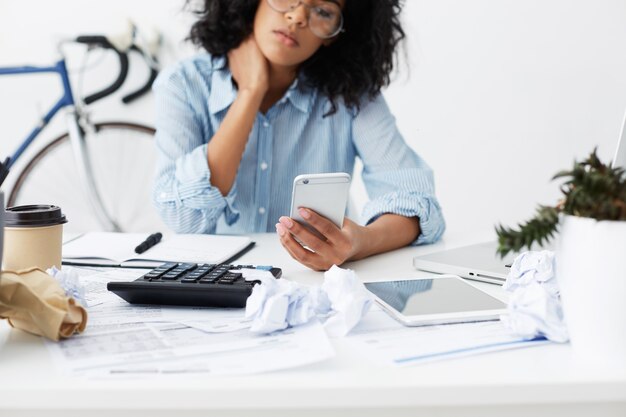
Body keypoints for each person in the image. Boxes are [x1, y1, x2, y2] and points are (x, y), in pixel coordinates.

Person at [153, 0, 445, 271]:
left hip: (310, 287)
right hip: (211, 285)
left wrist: (358, 243)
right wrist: (250, 92)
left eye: (323, 11)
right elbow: (183, 218)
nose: (297, 17)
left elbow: (418, 203)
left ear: (334, 33)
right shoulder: (183, 85)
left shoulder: (352, 96)